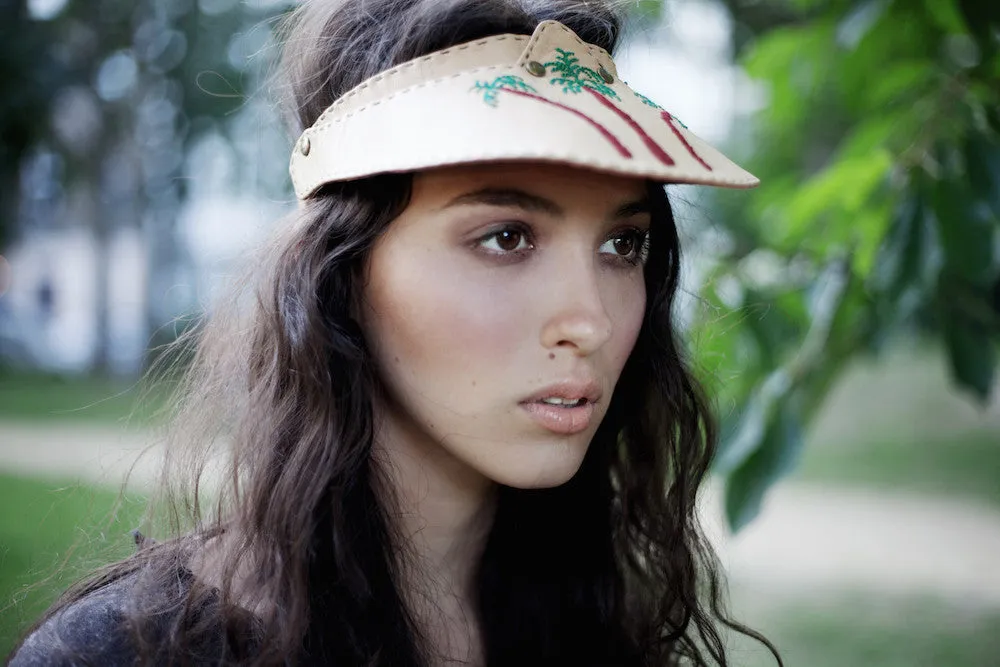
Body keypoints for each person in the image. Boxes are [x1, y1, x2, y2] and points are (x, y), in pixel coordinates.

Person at [9, 0, 781, 665]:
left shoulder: (594, 625)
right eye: (506, 237)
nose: (592, 319)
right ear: (339, 272)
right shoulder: (127, 651)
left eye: (624, 245)